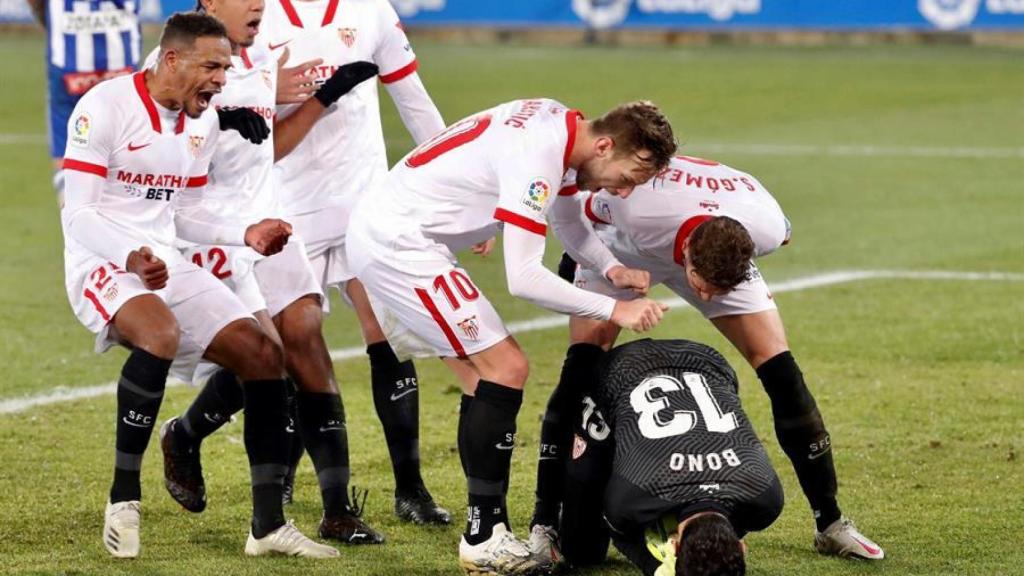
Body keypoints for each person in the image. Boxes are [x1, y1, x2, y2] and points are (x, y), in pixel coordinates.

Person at [346, 98, 676, 574]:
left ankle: (488, 529)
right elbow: (523, 278)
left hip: (402, 234)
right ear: (604, 145)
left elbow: (567, 219)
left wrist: (611, 267)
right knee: (507, 367)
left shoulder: (564, 128)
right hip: (400, 246)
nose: (622, 193)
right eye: (626, 178)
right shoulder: (540, 155)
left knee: (484, 381)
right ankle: (483, 538)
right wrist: (615, 309)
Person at [60, 12, 336, 558]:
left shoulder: (201, 122)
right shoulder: (105, 107)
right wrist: (129, 255)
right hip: (102, 260)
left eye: (225, 68)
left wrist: (245, 233)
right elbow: (78, 214)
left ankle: (267, 527)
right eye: (210, 66)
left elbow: (184, 213)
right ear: (171, 59)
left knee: (263, 354)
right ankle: (123, 500)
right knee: (159, 333)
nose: (219, 79)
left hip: (163, 258)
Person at [528, 154, 884, 565]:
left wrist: (719, 279)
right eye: (705, 286)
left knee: (783, 372)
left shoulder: (763, 227)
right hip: (626, 246)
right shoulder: (637, 207)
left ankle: (831, 522)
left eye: (721, 289)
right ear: (690, 260)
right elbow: (574, 205)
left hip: (711, 236)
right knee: (581, 371)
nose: (709, 298)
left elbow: (778, 239)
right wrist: (581, 263)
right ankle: (544, 525)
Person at [148, 0, 386, 546]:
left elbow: (265, 149)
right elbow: (155, 153)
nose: (259, 4)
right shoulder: (173, 65)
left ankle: (336, 509)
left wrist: (324, 98)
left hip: (266, 224)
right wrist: (208, 119)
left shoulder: (256, 62)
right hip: (206, 232)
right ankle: (186, 437)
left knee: (304, 334)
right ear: (209, 4)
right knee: (265, 358)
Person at [252, 0, 453, 525]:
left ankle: (410, 489)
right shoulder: (256, 14)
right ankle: (222, 446)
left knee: (388, 335)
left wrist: (455, 188)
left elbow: (413, 100)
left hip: (365, 202)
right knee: (284, 349)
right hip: (286, 210)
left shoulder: (370, 10)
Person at [556, 338, 784, 576]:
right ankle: (545, 518)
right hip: (619, 371)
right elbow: (622, 533)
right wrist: (655, 569)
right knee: (582, 552)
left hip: (706, 358)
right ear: (673, 546)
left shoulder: (765, 496)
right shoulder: (631, 498)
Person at [28, 0, 142, 204]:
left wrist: (52, 22)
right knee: (130, 172)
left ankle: (74, 216)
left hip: (70, 66)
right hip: (121, 68)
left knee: (69, 175)